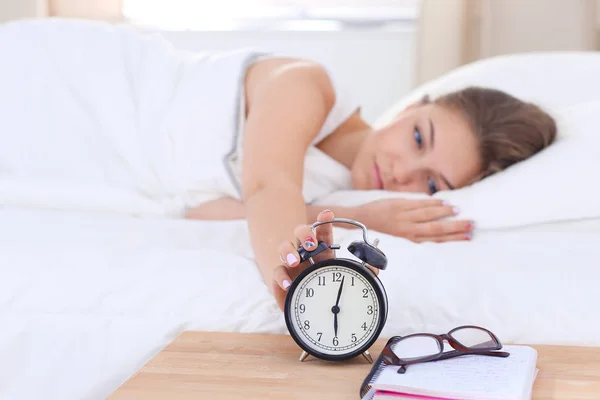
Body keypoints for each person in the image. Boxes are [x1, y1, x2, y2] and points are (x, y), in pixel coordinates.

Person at [183, 57, 557, 310]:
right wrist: (300, 282)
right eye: (417, 139)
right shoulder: (307, 87)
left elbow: (204, 212)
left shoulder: (334, 185)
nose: (402, 172)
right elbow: (267, 187)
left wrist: (356, 216)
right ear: (410, 108)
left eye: (430, 185)